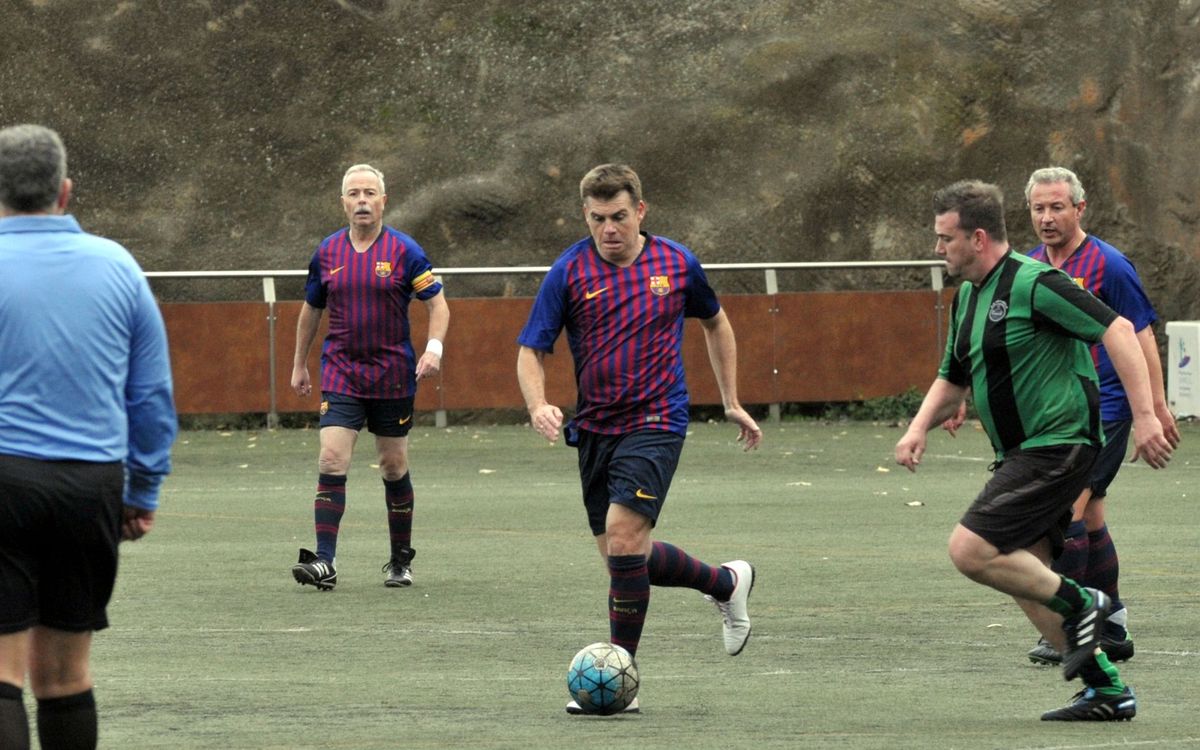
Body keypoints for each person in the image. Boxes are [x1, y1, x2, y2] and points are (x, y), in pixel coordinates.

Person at [895, 180, 1173, 721]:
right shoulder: (969, 296)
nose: (937, 249)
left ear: (977, 238)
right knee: (1023, 575)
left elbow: (1117, 329)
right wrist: (918, 427)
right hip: (1021, 451)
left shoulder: (1036, 281)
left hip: (1058, 446)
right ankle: (1107, 690)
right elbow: (951, 375)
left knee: (970, 550)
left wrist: (1145, 415)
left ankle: (1085, 601)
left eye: (944, 238)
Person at [516, 163, 763, 715]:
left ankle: (619, 677)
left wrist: (730, 400)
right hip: (596, 428)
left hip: (656, 421)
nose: (609, 229)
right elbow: (531, 350)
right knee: (624, 559)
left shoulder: (677, 263)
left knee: (624, 540)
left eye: (619, 217)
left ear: (640, 212)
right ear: (587, 216)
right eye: (599, 218)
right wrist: (538, 405)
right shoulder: (568, 272)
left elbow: (716, 322)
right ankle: (725, 582)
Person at [0, 124, 177, 749]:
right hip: (90, 485)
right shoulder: (117, 265)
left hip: (2, 479)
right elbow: (151, 395)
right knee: (65, 675)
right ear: (65, 192)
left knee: (0, 675)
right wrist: (144, 487)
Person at [290, 163, 449, 591]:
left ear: (383, 201)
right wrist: (299, 363)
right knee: (330, 459)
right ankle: (326, 561)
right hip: (341, 371)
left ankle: (400, 559)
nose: (362, 201)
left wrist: (433, 349)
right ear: (342, 202)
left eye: (369, 193)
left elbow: (438, 304)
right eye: (354, 194)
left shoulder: (405, 251)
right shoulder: (326, 253)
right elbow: (311, 310)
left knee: (393, 466)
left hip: (393, 375)